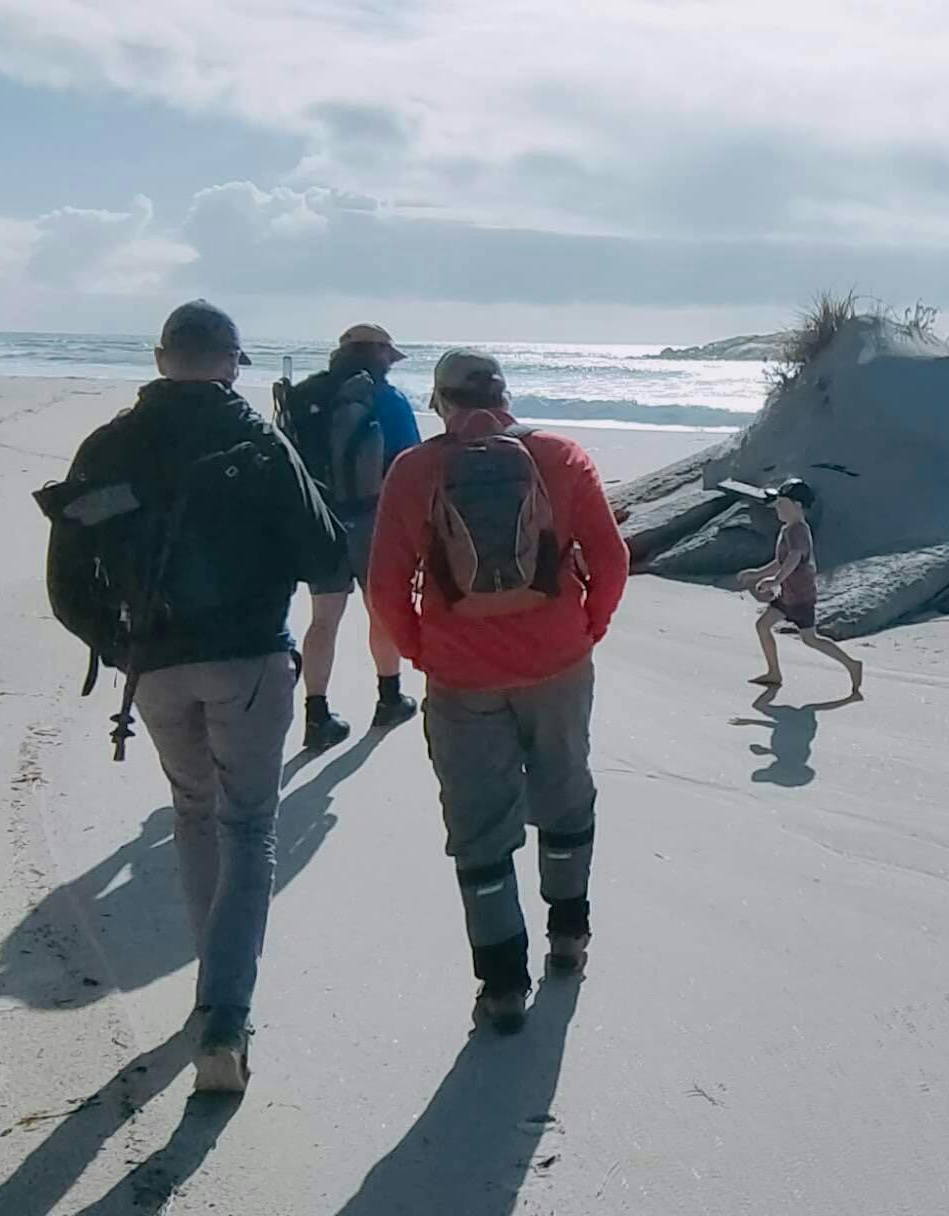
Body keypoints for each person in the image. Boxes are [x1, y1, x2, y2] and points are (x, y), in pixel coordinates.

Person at [42, 300, 345, 1093]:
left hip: (155, 667)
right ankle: (223, 1016)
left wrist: (119, 648)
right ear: (232, 361)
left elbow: (66, 584)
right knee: (249, 829)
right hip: (248, 660)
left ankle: (215, 1000)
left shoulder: (106, 445)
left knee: (193, 814)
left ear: (158, 357)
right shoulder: (257, 440)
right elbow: (325, 554)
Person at [365, 349, 630, 1033]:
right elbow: (610, 558)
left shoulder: (416, 470)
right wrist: (587, 629)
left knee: (479, 827)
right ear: (505, 396)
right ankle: (569, 937)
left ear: (440, 403)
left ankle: (503, 985)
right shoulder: (562, 456)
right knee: (566, 790)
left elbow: (387, 587)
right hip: (559, 663)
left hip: (461, 676)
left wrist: (427, 652)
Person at [283, 323, 424, 748]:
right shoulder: (387, 398)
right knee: (379, 610)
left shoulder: (306, 393)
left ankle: (317, 714)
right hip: (372, 519)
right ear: (381, 354)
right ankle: (389, 698)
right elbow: (408, 463)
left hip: (320, 520)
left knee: (323, 619)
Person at [738, 479, 864, 696]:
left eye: (782, 504)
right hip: (788, 594)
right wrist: (757, 574)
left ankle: (852, 664)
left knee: (810, 639)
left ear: (797, 505)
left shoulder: (797, 530)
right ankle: (774, 673)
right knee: (763, 625)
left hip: (799, 596)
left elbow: (793, 559)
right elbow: (781, 561)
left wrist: (775, 580)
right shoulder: (788, 529)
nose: (777, 508)